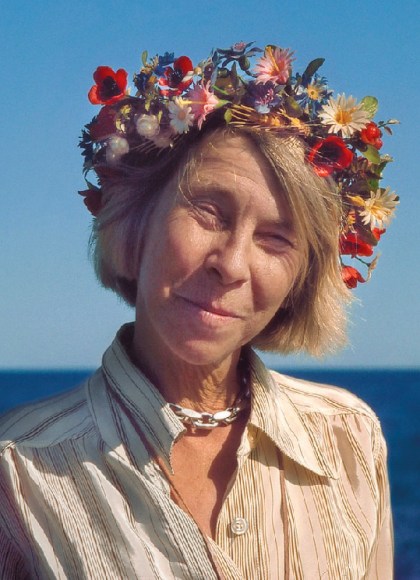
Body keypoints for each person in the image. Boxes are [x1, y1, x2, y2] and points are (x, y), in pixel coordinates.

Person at [0, 42, 397, 579]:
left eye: (276, 239)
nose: (231, 264)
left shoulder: (350, 437)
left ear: (300, 281)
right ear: (136, 222)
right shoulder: (18, 469)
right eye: (209, 212)